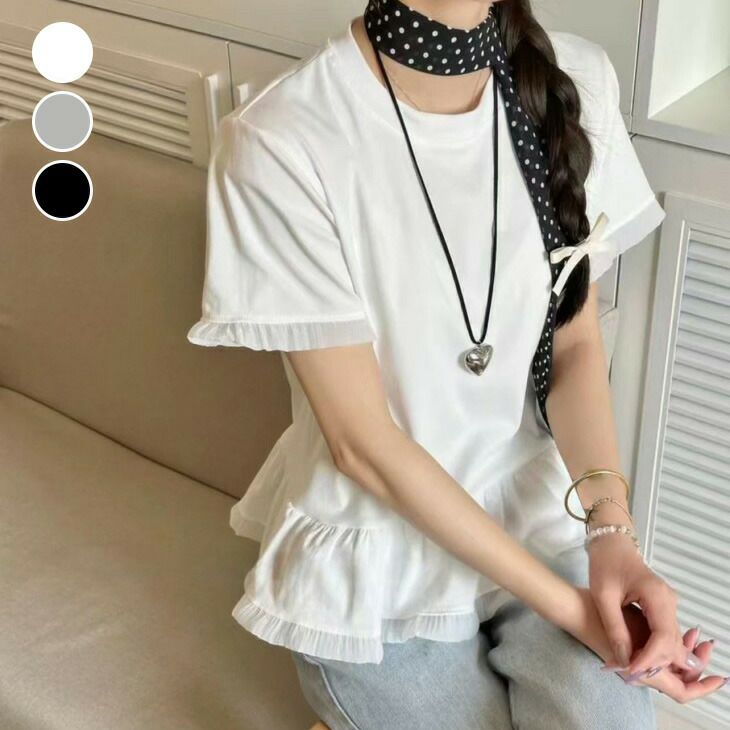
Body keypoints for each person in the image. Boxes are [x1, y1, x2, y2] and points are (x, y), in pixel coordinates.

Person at [187, 0, 727, 727]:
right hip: (381, 561)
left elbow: (573, 344)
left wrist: (613, 539)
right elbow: (363, 447)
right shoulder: (281, 137)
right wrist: (575, 613)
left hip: (535, 521)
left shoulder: (573, 78)